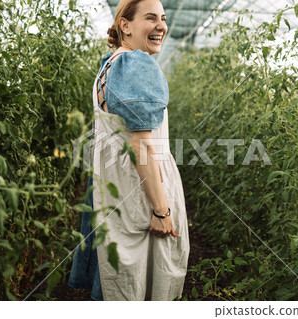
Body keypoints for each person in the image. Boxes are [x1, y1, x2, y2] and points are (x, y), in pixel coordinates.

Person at [68, 0, 189, 301]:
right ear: (125, 25)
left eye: (163, 18)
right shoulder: (136, 63)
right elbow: (142, 144)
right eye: (150, 18)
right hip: (141, 190)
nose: (161, 26)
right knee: (140, 283)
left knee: (120, 277)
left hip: (117, 187)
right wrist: (162, 210)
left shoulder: (110, 64)